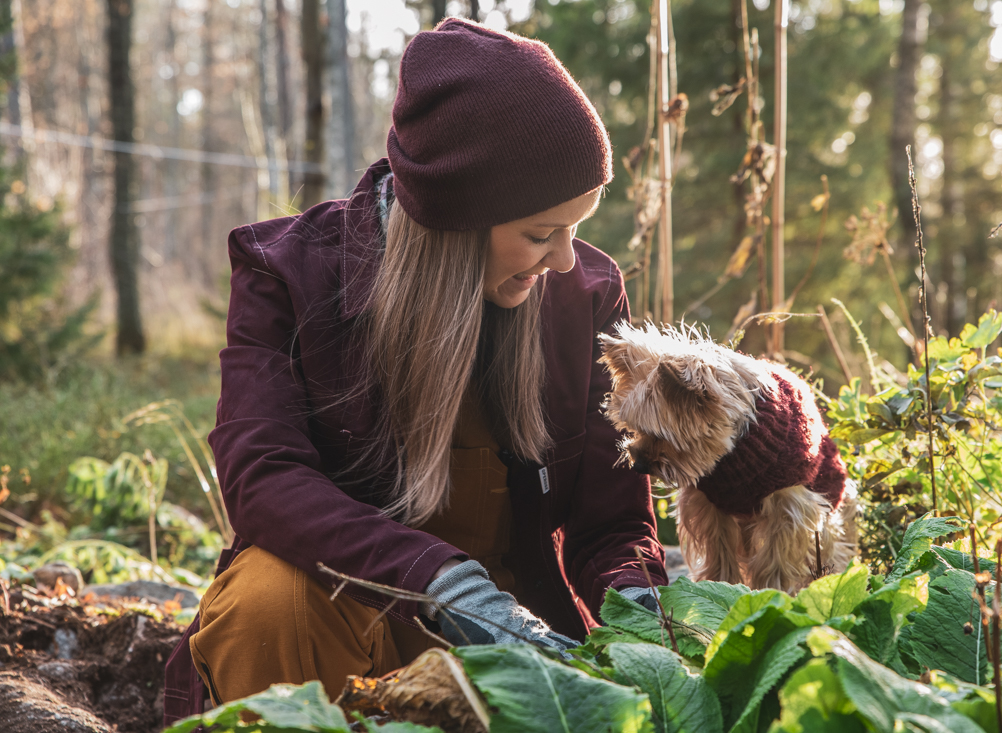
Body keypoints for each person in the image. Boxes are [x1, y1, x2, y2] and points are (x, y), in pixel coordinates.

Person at [162, 17, 667, 725]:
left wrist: (642, 606)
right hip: (357, 616)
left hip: (518, 635)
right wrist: (439, 581)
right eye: (539, 232)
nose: (562, 260)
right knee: (269, 603)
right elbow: (263, 476)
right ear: (458, 218)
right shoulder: (291, 273)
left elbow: (611, 519)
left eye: (575, 229)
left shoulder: (585, 293)